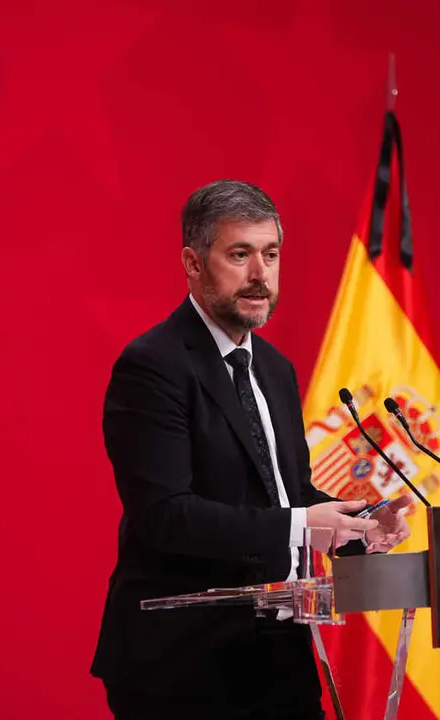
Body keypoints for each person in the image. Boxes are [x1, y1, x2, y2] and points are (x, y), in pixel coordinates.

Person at [90, 179, 413, 719]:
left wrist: (360, 528)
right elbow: (165, 516)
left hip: (278, 663)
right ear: (193, 264)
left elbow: (287, 493)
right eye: (240, 254)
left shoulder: (275, 370)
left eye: (271, 254)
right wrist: (302, 522)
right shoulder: (154, 366)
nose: (261, 274)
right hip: (181, 671)